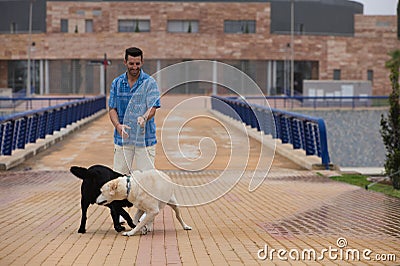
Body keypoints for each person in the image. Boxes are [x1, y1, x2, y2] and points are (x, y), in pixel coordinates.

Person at [108, 47, 160, 174]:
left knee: (147, 180)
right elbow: (112, 109)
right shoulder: (117, 83)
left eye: (137, 63)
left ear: (142, 62)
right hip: (123, 139)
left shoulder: (150, 82)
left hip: (145, 139)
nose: (134, 67)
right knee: (119, 179)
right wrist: (117, 125)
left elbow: (152, 108)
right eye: (131, 63)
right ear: (125, 62)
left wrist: (144, 117)